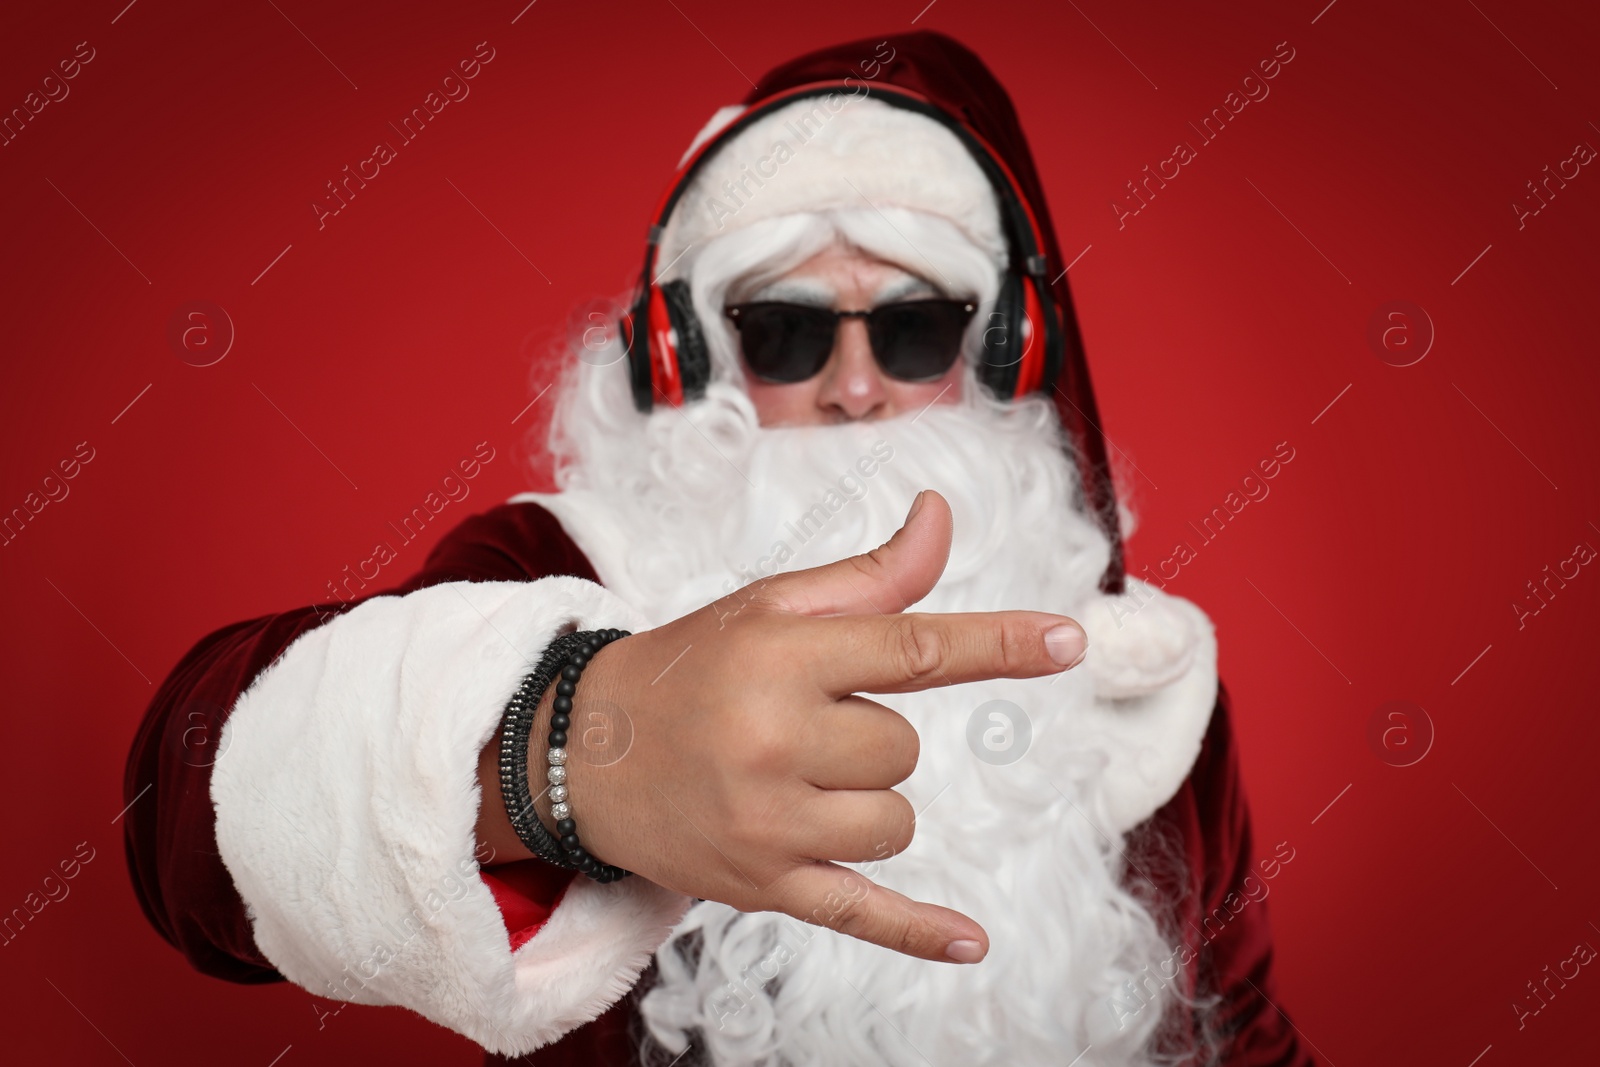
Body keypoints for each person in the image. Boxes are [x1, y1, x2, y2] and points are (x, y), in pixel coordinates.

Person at [123, 30, 1312, 1067]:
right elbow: (187, 820)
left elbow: (1244, 1031)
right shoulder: (559, 568)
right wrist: (570, 746)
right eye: (786, 330)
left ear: (997, 348)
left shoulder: (1134, 674)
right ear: (689, 351)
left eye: (914, 325)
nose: (855, 388)